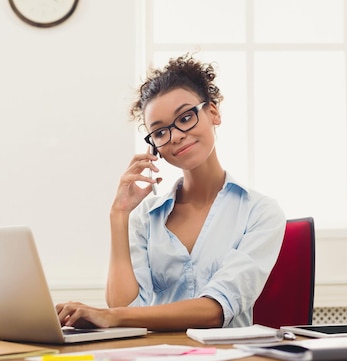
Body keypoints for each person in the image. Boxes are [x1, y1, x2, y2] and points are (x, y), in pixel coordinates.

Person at [57, 54, 285, 331]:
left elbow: (216, 309)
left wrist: (113, 316)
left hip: (227, 360)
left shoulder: (260, 212)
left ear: (213, 113)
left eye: (186, 118)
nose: (175, 135)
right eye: (161, 132)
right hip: (155, 358)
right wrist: (119, 215)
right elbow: (124, 307)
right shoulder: (145, 217)